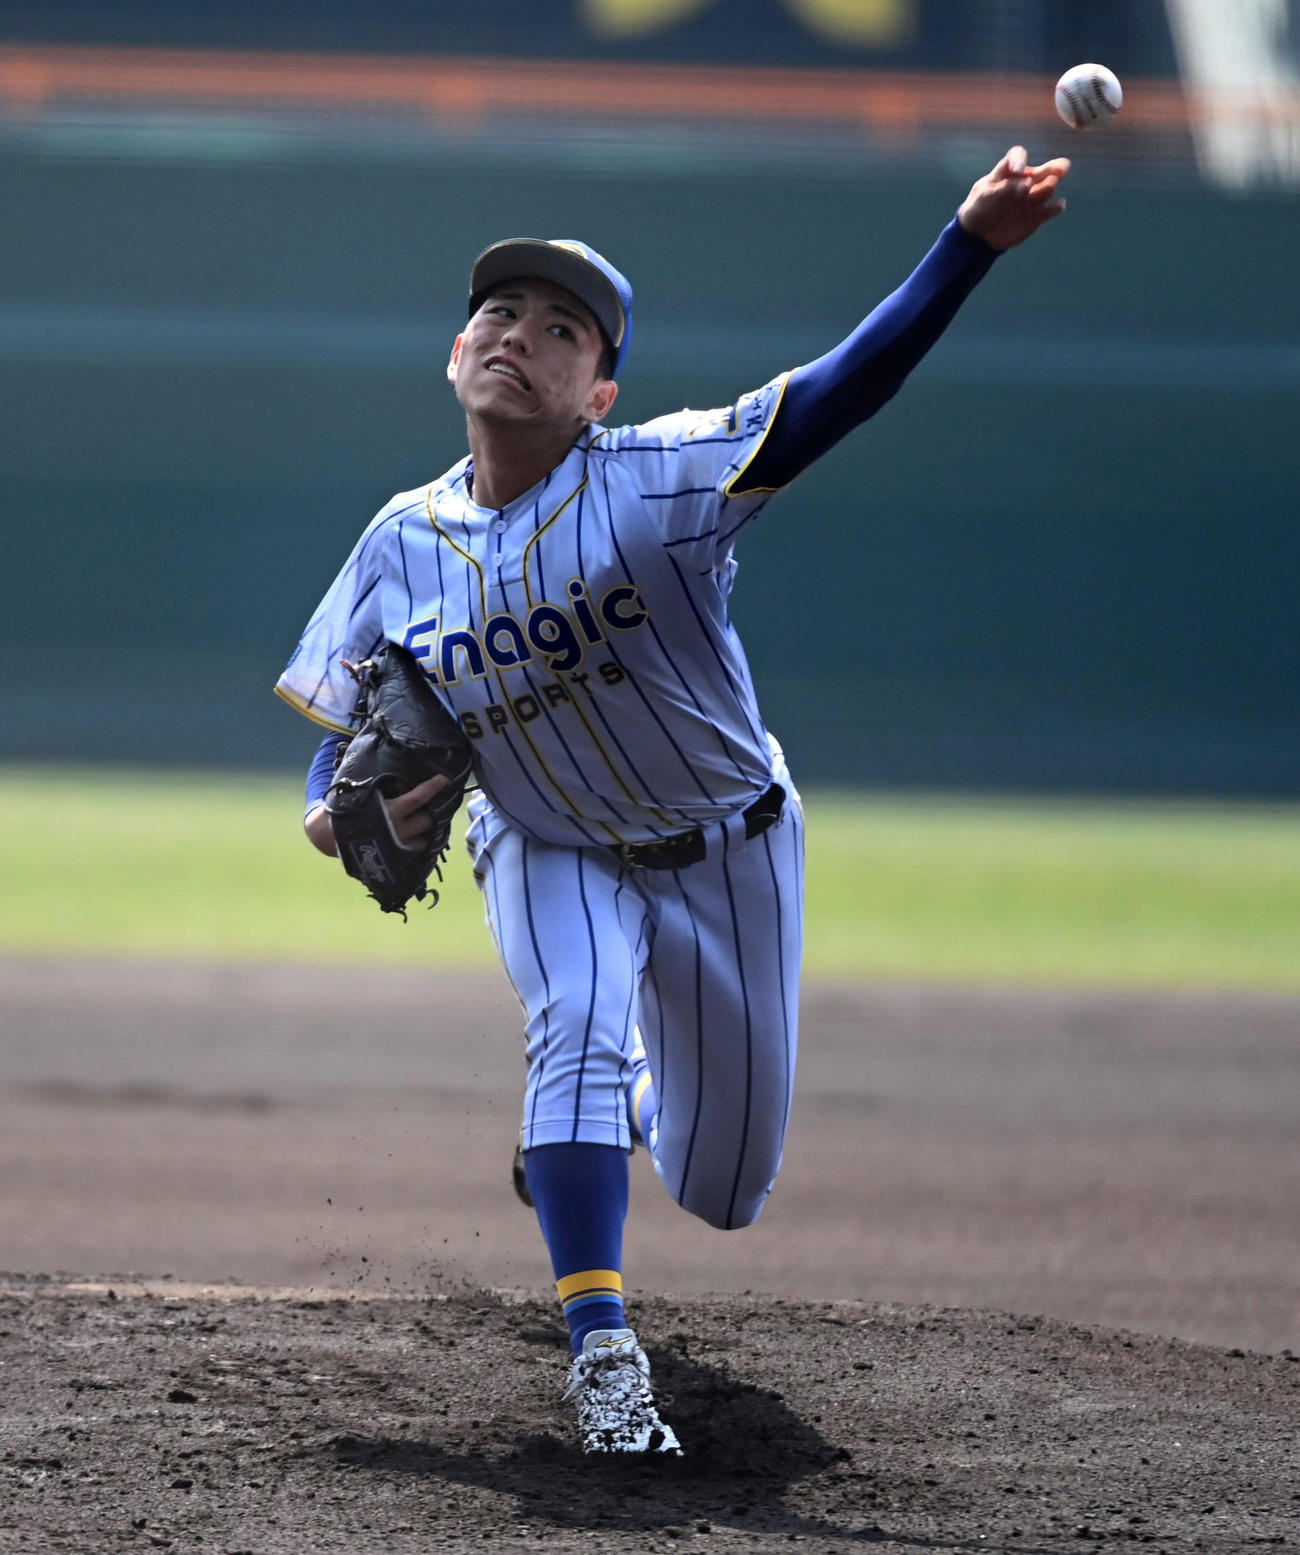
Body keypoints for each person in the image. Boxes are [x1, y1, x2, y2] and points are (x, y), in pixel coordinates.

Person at [276, 145, 1070, 1456]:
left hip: (729, 851)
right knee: (573, 1021)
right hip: (543, 841)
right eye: (497, 314)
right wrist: (328, 813)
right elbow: (342, 737)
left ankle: (607, 1111)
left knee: (723, 1187)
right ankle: (603, 1355)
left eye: (559, 329)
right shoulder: (398, 541)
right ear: (455, 351)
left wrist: (967, 243)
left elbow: (839, 395)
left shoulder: (660, 481)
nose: (516, 336)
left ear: (601, 391)